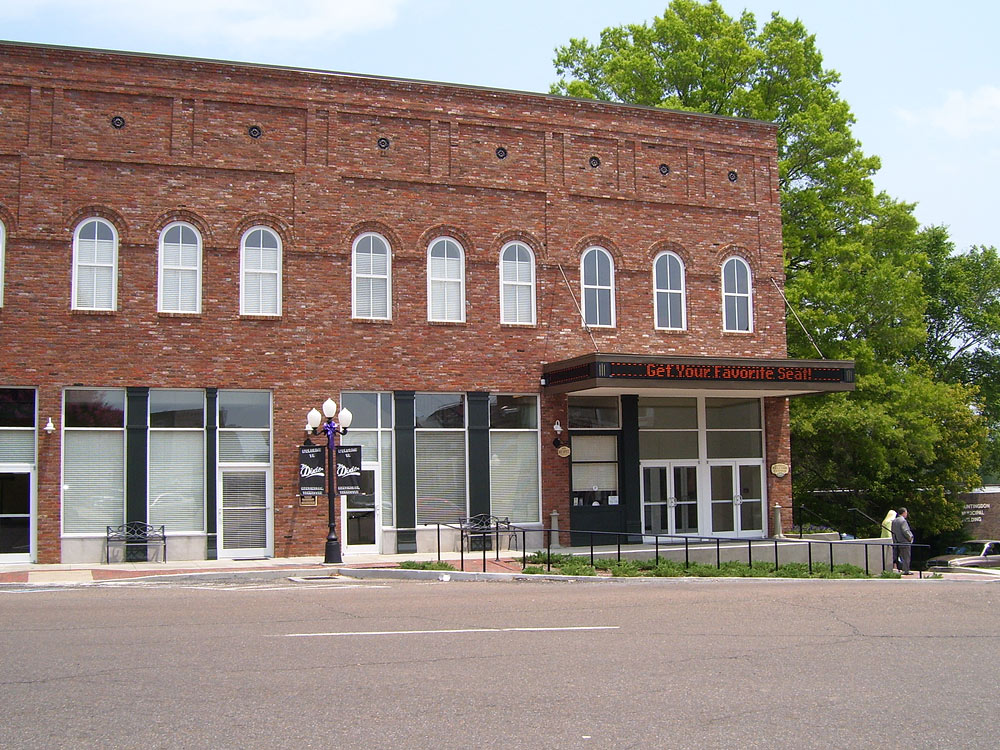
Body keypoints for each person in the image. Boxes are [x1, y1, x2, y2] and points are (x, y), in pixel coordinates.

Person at [891, 507, 914, 575]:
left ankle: (898, 569)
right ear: (904, 513)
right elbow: (905, 531)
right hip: (904, 541)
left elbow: (893, 531)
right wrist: (910, 537)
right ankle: (906, 570)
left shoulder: (894, 521)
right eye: (906, 513)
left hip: (896, 541)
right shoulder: (903, 521)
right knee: (906, 557)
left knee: (898, 556)